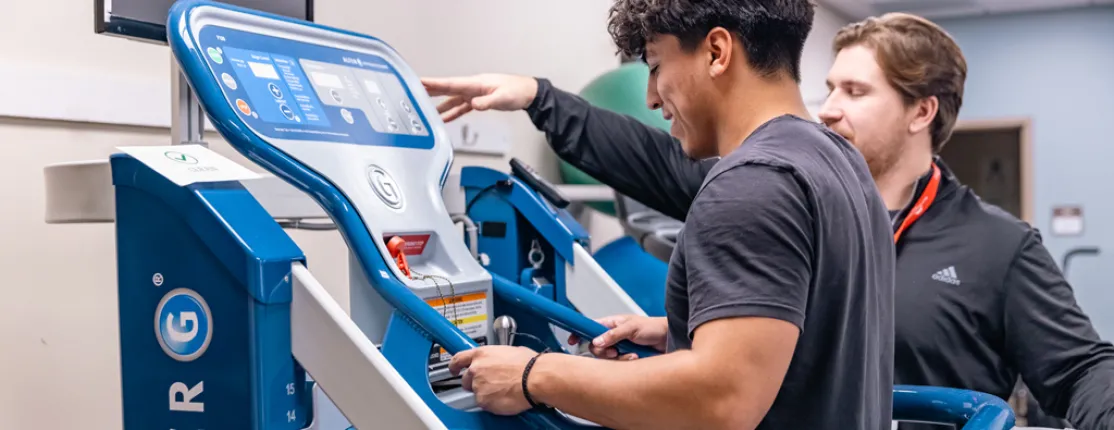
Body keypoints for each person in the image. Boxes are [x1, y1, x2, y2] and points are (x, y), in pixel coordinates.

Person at [425, 0, 896, 429]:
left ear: (716, 52)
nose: (651, 96)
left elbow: (722, 399)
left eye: (655, 66)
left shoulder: (752, 184)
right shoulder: (836, 161)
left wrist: (534, 374)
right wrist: (684, 332)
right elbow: (813, 334)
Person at [817, 13, 1114, 429]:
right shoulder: (800, 216)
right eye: (830, 89)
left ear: (921, 112)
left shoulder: (1000, 245)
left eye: (854, 91)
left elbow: (1081, 369)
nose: (827, 110)